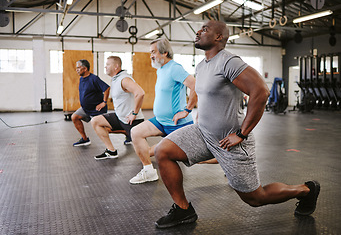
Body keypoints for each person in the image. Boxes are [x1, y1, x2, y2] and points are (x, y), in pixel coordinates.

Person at [154, 20, 320, 229]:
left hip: (230, 141)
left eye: (204, 29)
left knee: (255, 198)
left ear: (219, 37)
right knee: (163, 152)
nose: (198, 32)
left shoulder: (229, 61)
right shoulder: (202, 65)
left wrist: (241, 134)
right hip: (203, 133)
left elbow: (261, 91)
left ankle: (306, 190)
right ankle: (183, 210)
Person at [129, 38, 197, 184]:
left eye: (153, 52)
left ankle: (227, 160)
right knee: (136, 132)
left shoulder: (175, 68)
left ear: (164, 52)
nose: (151, 56)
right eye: (150, 53)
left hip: (178, 124)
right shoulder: (161, 69)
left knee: (199, 158)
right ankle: (148, 171)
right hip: (160, 121)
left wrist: (187, 110)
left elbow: (195, 85)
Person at [91, 56, 145, 160]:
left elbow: (140, 93)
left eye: (107, 64)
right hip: (120, 117)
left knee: (146, 152)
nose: (105, 67)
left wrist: (134, 113)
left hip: (132, 121)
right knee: (96, 121)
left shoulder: (124, 79)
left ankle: (166, 149)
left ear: (116, 66)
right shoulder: (115, 79)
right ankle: (111, 151)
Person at [72, 59, 110, 146]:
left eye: (78, 68)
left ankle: (126, 133)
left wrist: (104, 102)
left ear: (85, 69)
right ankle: (85, 139)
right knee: (74, 117)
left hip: (97, 109)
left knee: (108, 129)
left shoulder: (94, 78)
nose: (76, 70)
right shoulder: (82, 78)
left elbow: (107, 88)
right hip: (86, 109)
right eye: (76, 68)